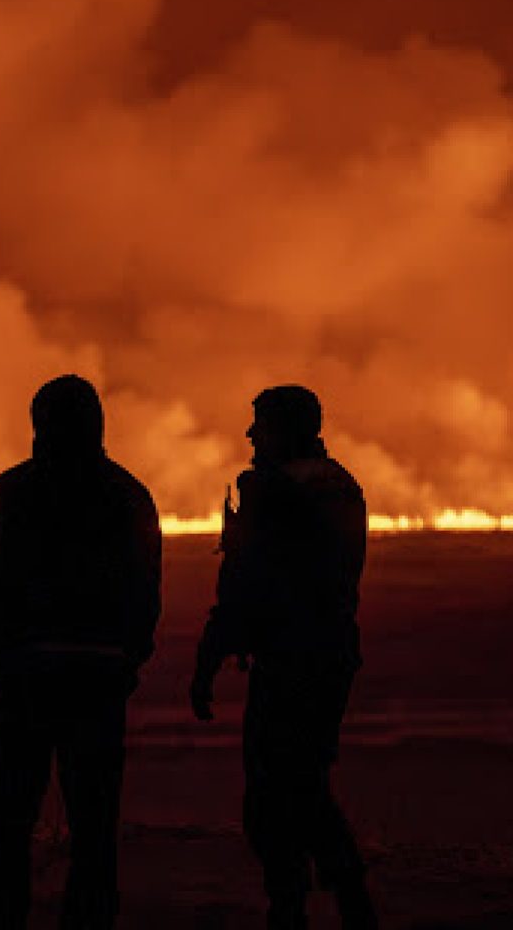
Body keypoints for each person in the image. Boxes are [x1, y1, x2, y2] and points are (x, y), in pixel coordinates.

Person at [0, 374, 162, 930]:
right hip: (97, 681)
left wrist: (1, 667)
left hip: (26, 678)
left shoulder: (13, 491)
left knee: (8, 824)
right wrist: (125, 661)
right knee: (94, 828)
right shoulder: (128, 494)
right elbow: (146, 590)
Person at [190, 385, 377, 929]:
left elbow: (245, 585)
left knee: (279, 796)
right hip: (331, 655)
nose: (251, 436)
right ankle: (339, 898)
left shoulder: (274, 491)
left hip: (288, 663)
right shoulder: (341, 485)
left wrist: (208, 661)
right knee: (303, 782)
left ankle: (303, 905)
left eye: (260, 424)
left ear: (285, 428)